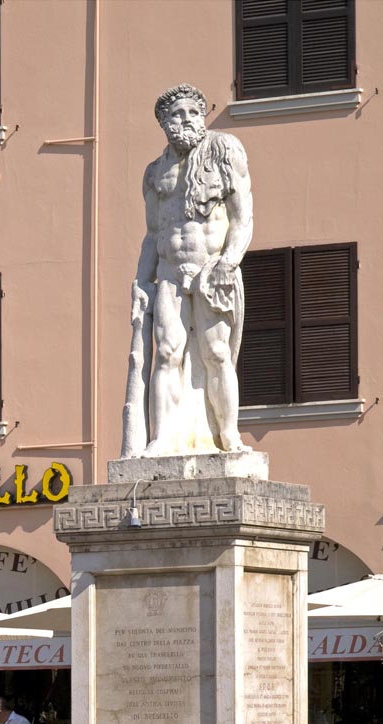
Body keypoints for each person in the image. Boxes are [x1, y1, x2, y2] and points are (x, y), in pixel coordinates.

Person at [124, 83, 253, 458]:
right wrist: (141, 281)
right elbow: (153, 234)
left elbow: (243, 217)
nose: (187, 119)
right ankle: (163, 438)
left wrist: (229, 261)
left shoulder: (223, 150)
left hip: (213, 270)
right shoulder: (155, 172)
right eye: (177, 114)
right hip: (169, 273)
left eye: (194, 112)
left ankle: (229, 436)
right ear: (164, 122)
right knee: (166, 354)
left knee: (217, 354)